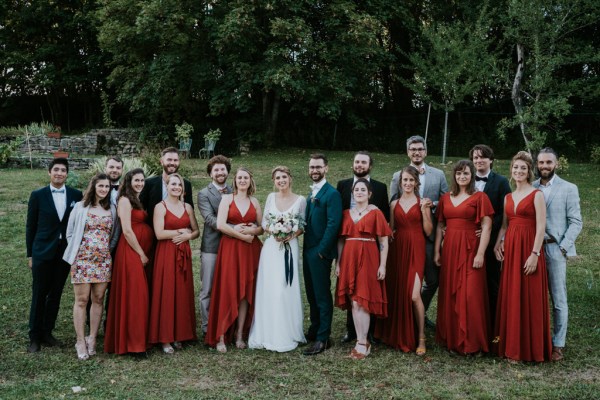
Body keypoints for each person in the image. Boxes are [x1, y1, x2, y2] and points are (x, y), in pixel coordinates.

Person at [493, 151, 552, 362]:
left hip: (529, 248)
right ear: (511, 170)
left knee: (530, 296)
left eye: (523, 168)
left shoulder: (537, 195)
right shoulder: (508, 197)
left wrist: (535, 254)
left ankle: (531, 348)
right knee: (512, 294)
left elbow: (541, 226)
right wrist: (498, 243)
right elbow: (505, 226)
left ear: (529, 172)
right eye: (515, 168)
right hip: (512, 249)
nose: (518, 171)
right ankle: (510, 346)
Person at [434, 160, 493, 355]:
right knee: (451, 293)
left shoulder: (480, 197)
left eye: (466, 173)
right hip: (450, 250)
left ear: (472, 175)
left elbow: (487, 226)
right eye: (459, 173)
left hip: (470, 250)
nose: (462, 177)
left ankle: (473, 343)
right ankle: (453, 340)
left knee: (470, 295)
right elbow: (440, 226)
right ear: (454, 176)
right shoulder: (445, 198)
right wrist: (437, 251)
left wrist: (480, 253)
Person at [390, 135, 448, 328]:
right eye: (413, 149)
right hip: (406, 237)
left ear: (425, 151)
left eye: (419, 149)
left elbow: (446, 200)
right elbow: (393, 203)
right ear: (408, 152)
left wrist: (432, 205)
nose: (416, 152)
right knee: (402, 280)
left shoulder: (438, 174)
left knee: (432, 280)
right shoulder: (398, 175)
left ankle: (419, 310)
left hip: (429, 236)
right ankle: (408, 316)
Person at [26, 158, 83, 353]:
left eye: (63, 170)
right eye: (56, 170)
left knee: (56, 293)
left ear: (67, 174)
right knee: (39, 293)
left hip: (64, 252)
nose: (59, 173)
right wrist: (30, 255)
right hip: (42, 251)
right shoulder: (38, 195)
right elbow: (30, 226)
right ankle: (34, 336)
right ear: (49, 172)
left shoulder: (76, 195)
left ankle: (47, 332)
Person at [249, 166, 307, 352]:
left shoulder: (300, 200)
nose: (281, 180)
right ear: (274, 181)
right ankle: (267, 331)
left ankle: (286, 332)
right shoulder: (270, 198)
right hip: (272, 247)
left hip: (289, 247)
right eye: (277, 178)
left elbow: (303, 224)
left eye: (284, 177)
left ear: (290, 178)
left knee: (284, 288)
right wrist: (272, 230)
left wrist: (291, 234)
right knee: (270, 288)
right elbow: (265, 221)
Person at [376, 166, 433, 355]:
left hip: (416, 249)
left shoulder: (422, 203)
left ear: (416, 182)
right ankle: (398, 333)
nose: (407, 183)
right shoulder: (394, 204)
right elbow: (391, 229)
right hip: (398, 250)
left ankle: (421, 337)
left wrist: (425, 211)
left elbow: (428, 231)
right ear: (400, 183)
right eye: (404, 180)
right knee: (398, 291)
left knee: (414, 295)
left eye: (411, 180)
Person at [205, 168, 263, 353]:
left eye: (246, 177)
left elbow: (262, 227)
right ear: (235, 181)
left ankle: (239, 334)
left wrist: (252, 232)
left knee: (246, 291)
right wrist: (241, 235)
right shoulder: (227, 199)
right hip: (231, 248)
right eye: (239, 178)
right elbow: (221, 225)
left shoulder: (254, 201)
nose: (243, 180)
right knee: (228, 289)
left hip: (250, 251)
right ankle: (221, 335)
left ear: (250, 180)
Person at [533, 147, 582, 361]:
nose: (544, 166)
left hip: (555, 248)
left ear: (556, 164)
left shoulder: (568, 188)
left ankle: (558, 343)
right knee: (534, 295)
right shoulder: (531, 187)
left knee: (558, 298)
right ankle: (536, 339)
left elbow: (576, 221)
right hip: (533, 248)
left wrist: (563, 247)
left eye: (548, 163)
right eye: (541, 162)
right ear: (537, 164)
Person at [336, 150, 390, 344]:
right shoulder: (342, 189)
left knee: (365, 295)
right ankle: (353, 333)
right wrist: (338, 261)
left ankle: (367, 337)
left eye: (363, 162)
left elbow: (383, 237)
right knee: (353, 296)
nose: (359, 165)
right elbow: (341, 237)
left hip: (368, 252)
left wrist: (382, 264)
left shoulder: (379, 196)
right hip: (349, 254)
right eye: (357, 161)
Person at [63, 173, 117, 360]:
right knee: (82, 300)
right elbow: (70, 233)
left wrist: (105, 251)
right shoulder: (80, 207)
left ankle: (92, 337)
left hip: (103, 261)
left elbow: (114, 234)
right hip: (82, 260)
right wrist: (76, 255)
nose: (103, 189)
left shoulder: (112, 209)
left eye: (107, 187)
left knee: (99, 298)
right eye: (100, 186)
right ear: (93, 186)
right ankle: (80, 340)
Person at [104, 169, 154, 355]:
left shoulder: (137, 199)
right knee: (135, 296)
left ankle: (138, 340)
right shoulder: (124, 199)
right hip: (130, 251)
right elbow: (126, 230)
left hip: (139, 249)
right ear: (129, 181)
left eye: (142, 180)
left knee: (137, 297)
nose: (140, 183)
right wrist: (141, 253)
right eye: (136, 180)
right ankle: (133, 345)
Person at [149, 173, 200, 354]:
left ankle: (181, 334)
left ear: (182, 189)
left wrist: (188, 236)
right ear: (167, 186)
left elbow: (196, 231)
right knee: (167, 292)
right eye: (173, 184)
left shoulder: (187, 207)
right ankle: (165, 338)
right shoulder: (160, 207)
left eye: (179, 185)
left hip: (183, 254)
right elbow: (159, 234)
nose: (176, 187)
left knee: (182, 293)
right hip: (166, 254)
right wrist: (179, 231)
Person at [303, 154, 343, 356]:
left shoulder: (331, 194)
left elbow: (333, 224)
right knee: (311, 293)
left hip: (319, 252)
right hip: (307, 250)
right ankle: (314, 329)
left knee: (321, 295)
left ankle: (323, 337)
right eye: (312, 167)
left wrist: (322, 251)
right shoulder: (312, 193)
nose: (314, 170)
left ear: (326, 168)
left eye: (318, 167)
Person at [140, 147, 193, 290]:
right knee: (151, 278)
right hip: (152, 238)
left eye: (175, 160)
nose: (172, 163)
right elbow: (140, 211)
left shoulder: (185, 184)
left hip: (176, 244)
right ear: (161, 161)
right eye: (169, 159)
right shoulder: (149, 183)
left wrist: (186, 233)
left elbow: (189, 214)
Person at [469, 145, 511, 325]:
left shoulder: (501, 182)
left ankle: (494, 326)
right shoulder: (466, 180)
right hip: (469, 241)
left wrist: (489, 226)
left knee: (492, 283)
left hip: (492, 240)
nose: (479, 161)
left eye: (483, 158)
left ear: (491, 160)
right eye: (476, 158)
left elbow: (506, 210)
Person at [197, 155, 232, 336]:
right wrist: (235, 228)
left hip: (232, 247)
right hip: (212, 246)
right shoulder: (204, 193)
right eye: (216, 170)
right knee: (208, 288)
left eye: (222, 169)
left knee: (227, 286)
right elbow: (210, 219)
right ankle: (206, 327)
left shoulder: (235, 190)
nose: (220, 172)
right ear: (211, 173)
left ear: (227, 171)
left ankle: (226, 324)